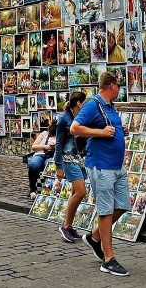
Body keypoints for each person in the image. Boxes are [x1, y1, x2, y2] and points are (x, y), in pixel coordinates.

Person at [71, 72, 131, 277]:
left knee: (122, 206)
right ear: (112, 86)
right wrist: (101, 133)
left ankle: (94, 237)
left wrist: (122, 131)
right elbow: (75, 128)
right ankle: (108, 259)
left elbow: (110, 129)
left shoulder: (110, 107)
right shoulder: (92, 104)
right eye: (119, 86)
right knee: (105, 210)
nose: (120, 89)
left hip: (117, 166)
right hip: (101, 166)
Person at [54, 91, 88, 243]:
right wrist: (58, 165)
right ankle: (65, 226)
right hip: (68, 159)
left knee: (75, 193)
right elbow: (59, 143)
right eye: (84, 102)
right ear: (79, 103)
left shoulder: (78, 118)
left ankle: (69, 225)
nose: (85, 105)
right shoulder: (64, 119)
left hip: (78, 158)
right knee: (81, 192)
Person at [28, 121, 56, 199]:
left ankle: (48, 190)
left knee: (50, 166)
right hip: (40, 154)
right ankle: (32, 189)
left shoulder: (60, 136)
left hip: (52, 156)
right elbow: (34, 146)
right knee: (33, 165)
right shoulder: (44, 134)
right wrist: (46, 147)